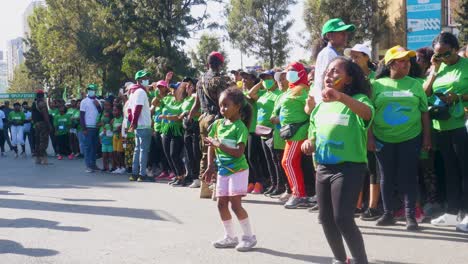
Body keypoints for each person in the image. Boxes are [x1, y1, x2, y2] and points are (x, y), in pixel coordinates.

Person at [302, 57, 372, 264]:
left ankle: (361, 260)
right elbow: (313, 134)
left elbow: (367, 114)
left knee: (342, 217)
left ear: (349, 79)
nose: (329, 75)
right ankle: (341, 259)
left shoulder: (358, 99)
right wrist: (309, 143)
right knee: (325, 218)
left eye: (335, 71)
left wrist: (341, 97)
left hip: (349, 167)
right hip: (324, 167)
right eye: (327, 72)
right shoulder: (320, 106)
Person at [371, 46, 431, 231]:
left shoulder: (415, 84)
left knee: (409, 177)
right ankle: (388, 213)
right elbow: (369, 114)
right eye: (401, 60)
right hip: (382, 138)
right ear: (390, 64)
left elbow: (424, 113)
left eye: (407, 60)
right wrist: (369, 138)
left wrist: (427, 138)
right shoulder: (376, 85)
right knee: (386, 177)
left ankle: (410, 216)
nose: (406, 64)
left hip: (410, 137)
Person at [423, 32, 468, 232]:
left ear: (455, 49)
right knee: (449, 170)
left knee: (465, 170)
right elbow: (424, 93)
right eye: (437, 54)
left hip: (461, 124)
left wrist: (458, 96)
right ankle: (452, 213)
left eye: (445, 54)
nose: (441, 57)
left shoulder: (465, 66)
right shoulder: (438, 68)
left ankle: (466, 214)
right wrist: (434, 69)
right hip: (441, 126)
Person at [203, 87, 257, 251]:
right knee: (221, 204)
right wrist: (210, 166)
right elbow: (211, 146)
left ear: (238, 106)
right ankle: (230, 237)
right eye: (221, 105)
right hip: (223, 171)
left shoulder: (240, 127)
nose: (222, 109)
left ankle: (249, 237)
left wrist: (220, 144)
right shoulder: (218, 124)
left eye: (226, 105)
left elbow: (239, 152)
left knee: (235, 205)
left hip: (238, 171)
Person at [344, 43, 381, 220]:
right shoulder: (350, 80)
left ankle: (373, 206)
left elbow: (371, 110)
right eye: (351, 57)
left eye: (357, 56)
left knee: (373, 168)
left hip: (372, 130)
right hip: (354, 131)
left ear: (367, 57)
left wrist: (370, 135)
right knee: (357, 168)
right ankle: (357, 205)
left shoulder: (376, 79)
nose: (353, 60)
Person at [188, 51, 231, 196]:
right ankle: (216, 187)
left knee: (206, 153)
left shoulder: (200, 81)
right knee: (218, 152)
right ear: (220, 64)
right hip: (216, 120)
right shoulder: (219, 80)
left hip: (203, 119)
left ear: (208, 64)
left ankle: (204, 188)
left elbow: (196, 104)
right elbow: (222, 102)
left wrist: (189, 117)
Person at [271, 62, 310, 209]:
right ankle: (298, 192)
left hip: (298, 132)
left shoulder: (303, 90)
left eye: (292, 70)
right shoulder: (291, 89)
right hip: (290, 132)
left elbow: (309, 109)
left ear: (301, 73)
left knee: (287, 162)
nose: (289, 73)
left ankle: (299, 194)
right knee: (288, 162)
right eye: (287, 71)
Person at [248, 70, 283, 195]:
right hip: (262, 131)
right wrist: (261, 83)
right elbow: (250, 93)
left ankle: (280, 185)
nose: (266, 81)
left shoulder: (278, 94)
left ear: (275, 80)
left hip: (273, 130)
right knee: (269, 160)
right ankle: (273, 184)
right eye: (264, 78)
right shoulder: (263, 93)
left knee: (276, 160)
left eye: (269, 78)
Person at [312, 18, 355, 103]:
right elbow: (328, 80)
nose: (345, 36)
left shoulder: (332, 53)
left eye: (346, 33)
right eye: (341, 33)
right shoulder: (328, 53)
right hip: (327, 101)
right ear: (329, 36)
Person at [240, 69, 268, 194]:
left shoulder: (260, 93)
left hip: (254, 129)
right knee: (246, 157)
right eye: (243, 78)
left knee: (253, 157)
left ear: (254, 80)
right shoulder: (242, 93)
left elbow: (251, 95)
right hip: (245, 129)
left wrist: (261, 82)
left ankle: (260, 182)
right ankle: (251, 181)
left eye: (247, 78)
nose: (243, 80)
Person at [159, 82, 187, 186]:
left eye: (176, 89)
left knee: (174, 154)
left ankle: (182, 177)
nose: (173, 90)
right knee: (167, 154)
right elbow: (155, 102)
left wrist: (166, 117)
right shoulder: (168, 99)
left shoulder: (184, 102)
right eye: (172, 89)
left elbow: (179, 117)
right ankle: (176, 175)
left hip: (177, 131)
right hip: (166, 129)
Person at [127, 70, 153, 182]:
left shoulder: (132, 92)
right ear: (139, 80)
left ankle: (134, 173)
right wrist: (134, 122)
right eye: (144, 78)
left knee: (137, 150)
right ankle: (142, 175)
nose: (147, 79)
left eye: (147, 77)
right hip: (143, 125)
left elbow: (128, 109)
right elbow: (137, 108)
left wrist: (132, 122)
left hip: (138, 126)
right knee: (143, 150)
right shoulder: (141, 92)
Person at [180, 77, 201, 187]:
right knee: (188, 154)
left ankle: (198, 177)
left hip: (196, 126)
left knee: (196, 153)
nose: (188, 86)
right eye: (187, 85)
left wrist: (188, 113)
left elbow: (200, 112)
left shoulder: (196, 97)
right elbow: (178, 94)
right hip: (187, 128)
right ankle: (193, 177)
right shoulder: (186, 99)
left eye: (190, 84)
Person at [151, 80, 171, 180]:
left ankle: (171, 170)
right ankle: (164, 171)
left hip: (165, 128)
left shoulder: (168, 98)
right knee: (161, 151)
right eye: (158, 87)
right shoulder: (158, 98)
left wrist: (167, 81)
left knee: (167, 151)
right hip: (157, 128)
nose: (159, 88)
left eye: (161, 87)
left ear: (165, 88)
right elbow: (153, 103)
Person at [80, 84, 102, 173]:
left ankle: (93, 164)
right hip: (88, 128)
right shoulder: (84, 101)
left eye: (93, 89)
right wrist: (84, 128)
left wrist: (97, 106)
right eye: (89, 89)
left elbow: (101, 112)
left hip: (96, 127)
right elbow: (82, 116)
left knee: (94, 147)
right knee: (88, 147)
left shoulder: (98, 101)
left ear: (95, 91)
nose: (91, 91)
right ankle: (88, 165)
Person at [32, 90, 52, 164]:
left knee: (37, 141)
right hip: (43, 124)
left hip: (36, 124)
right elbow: (45, 115)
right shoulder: (42, 103)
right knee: (43, 141)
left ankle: (38, 159)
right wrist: (49, 124)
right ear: (42, 96)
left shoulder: (34, 103)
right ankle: (44, 158)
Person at [98, 99, 114, 171]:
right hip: (103, 137)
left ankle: (113, 167)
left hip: (111, 139)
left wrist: (110, 125)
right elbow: (97, 123)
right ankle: (105, 167)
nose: (106, 107)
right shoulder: (101, 113)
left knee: (111, 155)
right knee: (104, 155)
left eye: (107, 105)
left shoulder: (113, 114)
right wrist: (101, 124)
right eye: (104, 105)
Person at [110, 105, 125, 174]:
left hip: (120, 137)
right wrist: (111, 125)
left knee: (119, 153)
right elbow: (112, 130)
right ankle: (119, 167)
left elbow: (122, 129)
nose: (114, 112)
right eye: (113, 110)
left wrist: (120, 127)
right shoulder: (113, 120)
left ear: (119, 111)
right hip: (114, 137)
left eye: (115, 110)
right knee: (115, 153)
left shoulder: (122, 119)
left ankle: (123, 167)